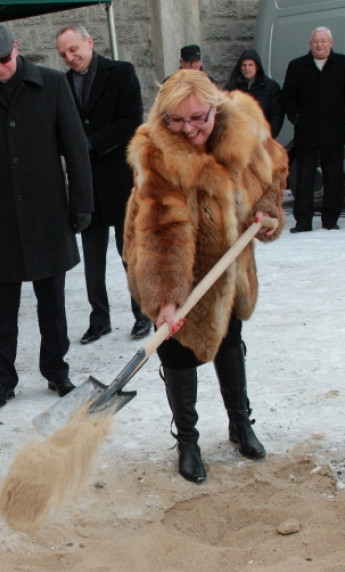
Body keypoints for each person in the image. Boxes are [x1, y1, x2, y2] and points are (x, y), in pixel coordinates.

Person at [123, 70, 288, 483]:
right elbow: (161, 229)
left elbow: (275, 167)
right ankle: (188, 441)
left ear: (216, 107)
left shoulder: (246, 127)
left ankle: (240, 422)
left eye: (198, 118)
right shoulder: (156, 152)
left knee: (229, 338)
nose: (188, 129)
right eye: (176, 120)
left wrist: (267, 207)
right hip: (171, 261)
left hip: (229, 262)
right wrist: (166, 297)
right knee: (178, 351)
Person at [0, 22, 93, 410]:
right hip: (0, 220)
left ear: (16, 48)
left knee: (53, 306)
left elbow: (75, 149)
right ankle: (3, 378)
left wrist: (82, 202)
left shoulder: (52, 85)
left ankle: (56, 371)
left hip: (48, 214)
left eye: (4, 59)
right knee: (1, 310)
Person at [55, 24, 151, 343]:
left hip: (121, 182)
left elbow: (131, 121)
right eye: (63, 54)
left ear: (89, 42)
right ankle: (99, 319)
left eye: (73, 50)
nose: (70, 57)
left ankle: (143, 313)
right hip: (86, 186)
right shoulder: (62, 84)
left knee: (130, 253)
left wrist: (90, 144)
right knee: (92, 260)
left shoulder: (121, 73)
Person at [281, 26, 345, 232]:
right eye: (316, 41)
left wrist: (342, 116)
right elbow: (288, 96)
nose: (320, 45)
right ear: (310, 44)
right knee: (304, 178)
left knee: (333, 178)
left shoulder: (343, 64)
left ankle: (331, 220)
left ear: (331, 43)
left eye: (324, 41)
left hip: (333, 131)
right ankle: (303, 221)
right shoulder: (297, 66)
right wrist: (296, 117)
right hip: (305, 132)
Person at [225, 48, 285, 138]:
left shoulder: (271, 87)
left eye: (250, 65)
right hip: (238, 139)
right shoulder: (232, 87)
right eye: (244, 65)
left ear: (257, 66)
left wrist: (268, 137)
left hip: (262, 138)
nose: (247, 68)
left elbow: (276, 116)